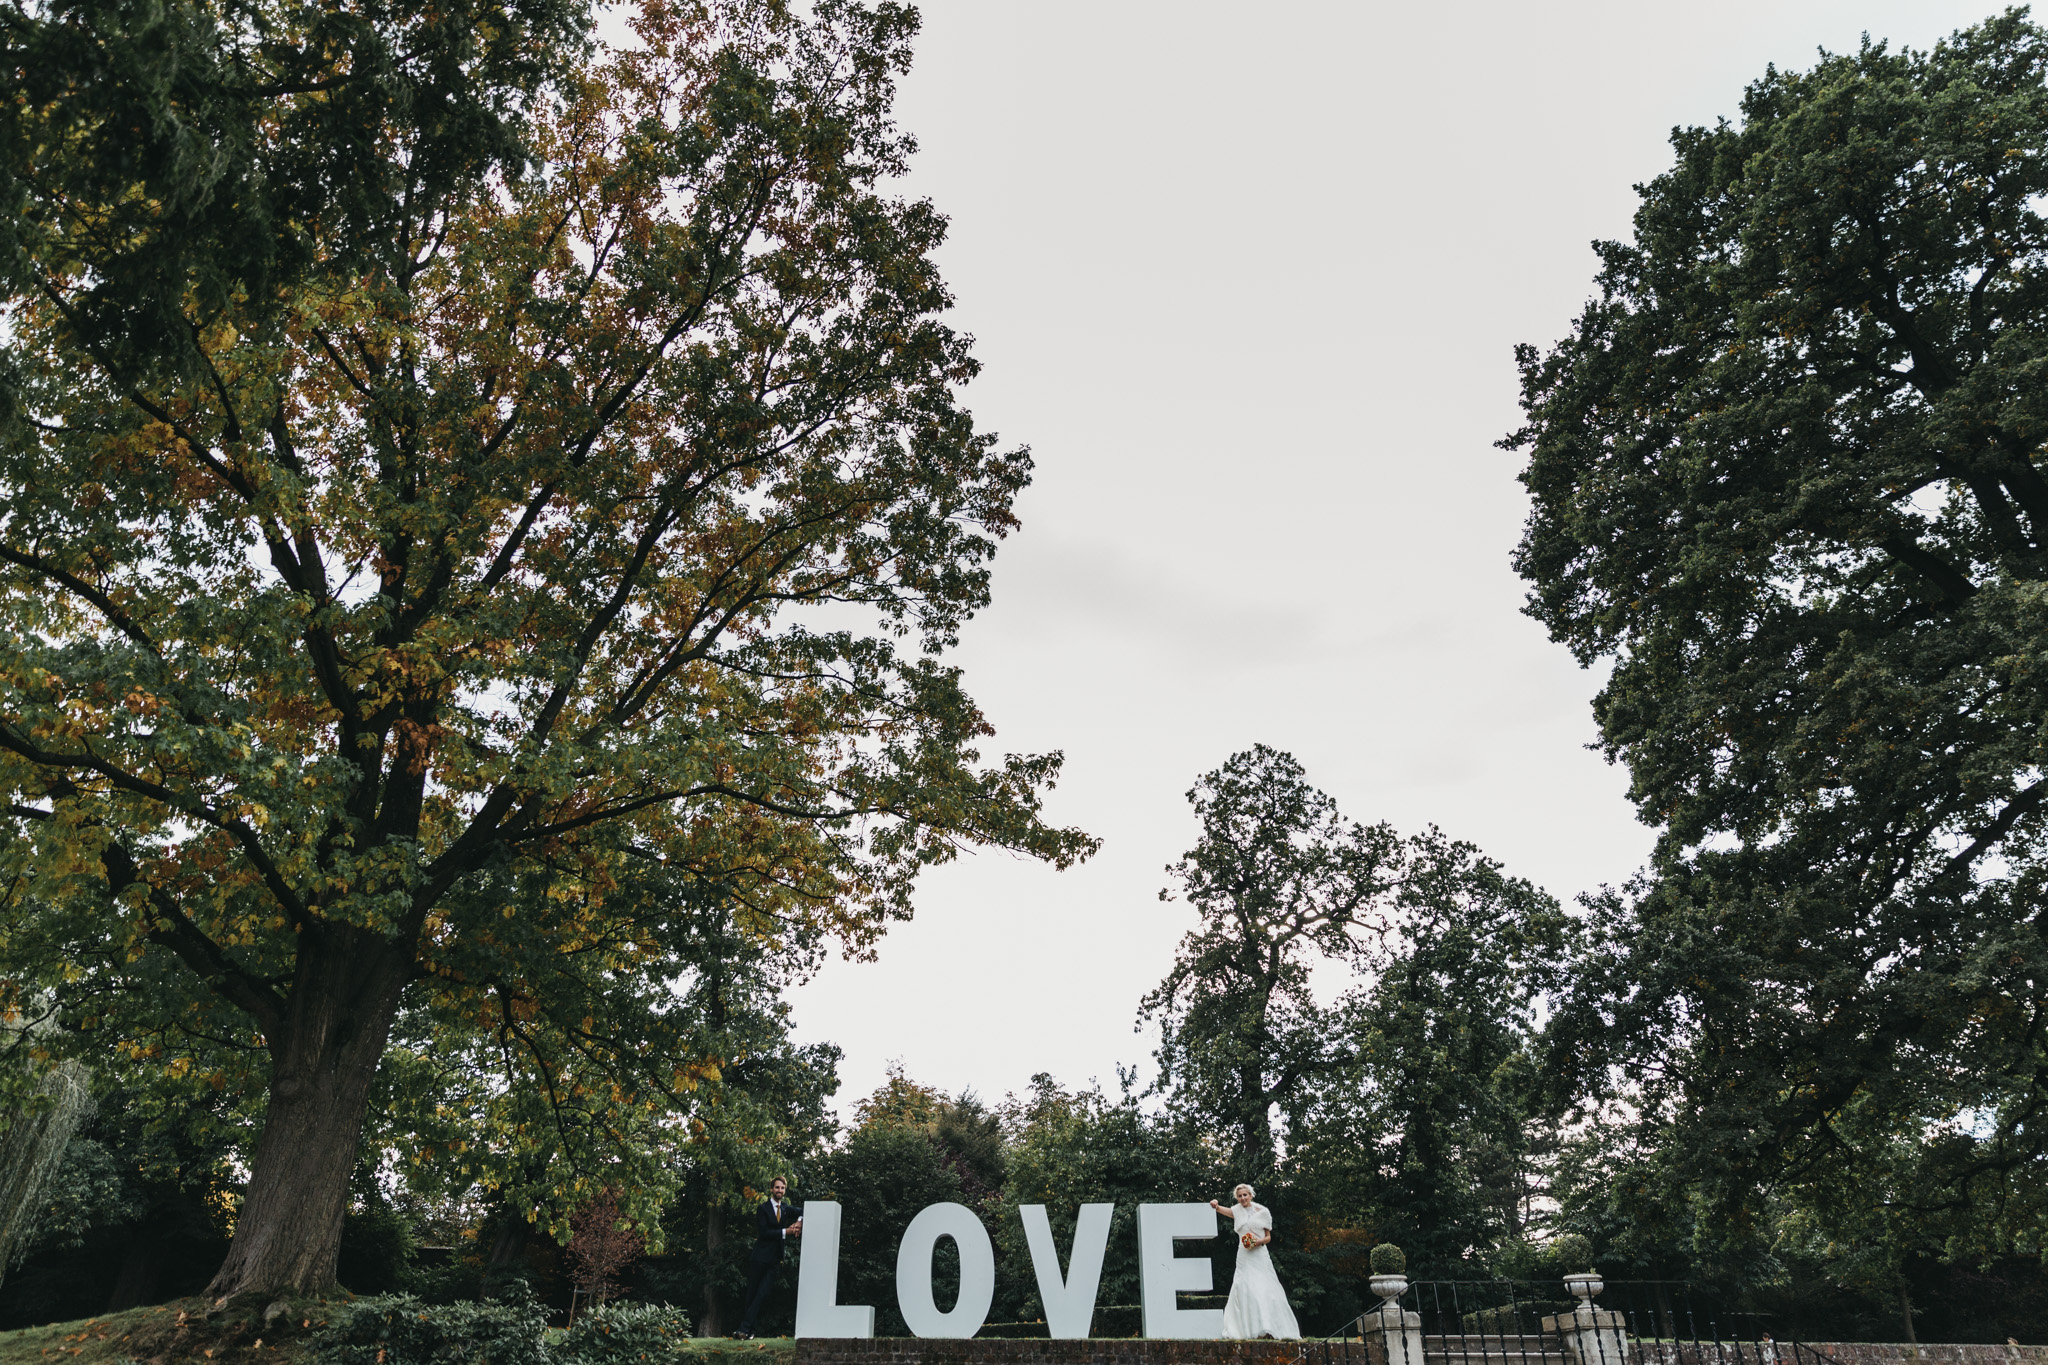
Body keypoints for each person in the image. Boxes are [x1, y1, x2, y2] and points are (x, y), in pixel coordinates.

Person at [1208, 1183, 1300, 1340]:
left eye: (1245, 1195)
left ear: (1251, 1195)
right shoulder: (1236, 1211)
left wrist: (1258, 1242)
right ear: (1237, 1198)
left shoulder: (1263, 1212)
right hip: (1243, 1254)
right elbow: (1219, 1209)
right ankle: (1245, 1328)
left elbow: (1268, 1237)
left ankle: (1269, 1326)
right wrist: (1214, 1204)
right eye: (1240, 1196)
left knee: (1265, 1286)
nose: (1243, 1198)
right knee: (1243, 1285)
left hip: (1259, 1254)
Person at [732, 1176, 803, 1338]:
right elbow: (764, 1233)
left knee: (762, 1294)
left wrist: (799, 1222)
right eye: (777, 1188)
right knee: (752, 1295)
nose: (780, 1191)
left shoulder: (785, 1208)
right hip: (759, 1257)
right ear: (771, 1189)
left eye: (782, 1188)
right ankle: (749, 1331)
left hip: (774, 1260)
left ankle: (744, 1329)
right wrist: (787, 1232)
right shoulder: (762, 1209)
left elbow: (804, 1210)